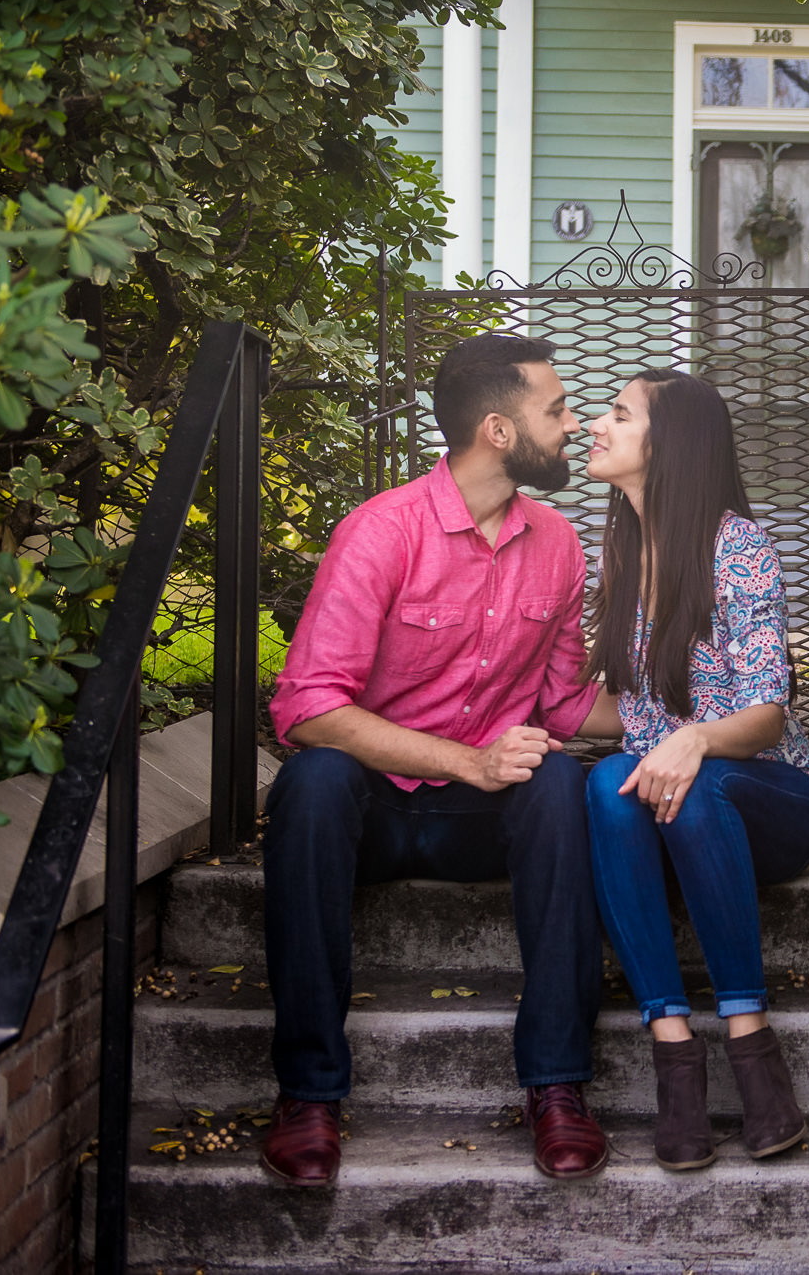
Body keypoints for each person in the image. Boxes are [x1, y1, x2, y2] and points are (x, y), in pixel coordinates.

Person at [258, 333, 611, 1187]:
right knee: (310, 781)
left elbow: (565, 704)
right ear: (498, 428)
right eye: (556, 409)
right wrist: (468, 759)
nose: (573, 424)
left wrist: (700, 723)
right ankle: (309, 1093)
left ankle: (557, 1084)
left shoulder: (559, 545)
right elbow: (305, 707)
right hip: (373, 809)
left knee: (564, 779)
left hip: (476, 822)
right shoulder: (381, 532)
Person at [576, 368, 809, 1170]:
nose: (595, 424)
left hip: (772, 796)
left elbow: (765, 715)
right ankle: (674, 1050)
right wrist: (497, 719)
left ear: (668, 444)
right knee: (600, 789)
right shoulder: (619, 554)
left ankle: (753, 1045)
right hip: (683, 796)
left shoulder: (738, 547)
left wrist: (693, 741)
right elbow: (627, 710)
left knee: (692, 783)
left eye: (617, 414)